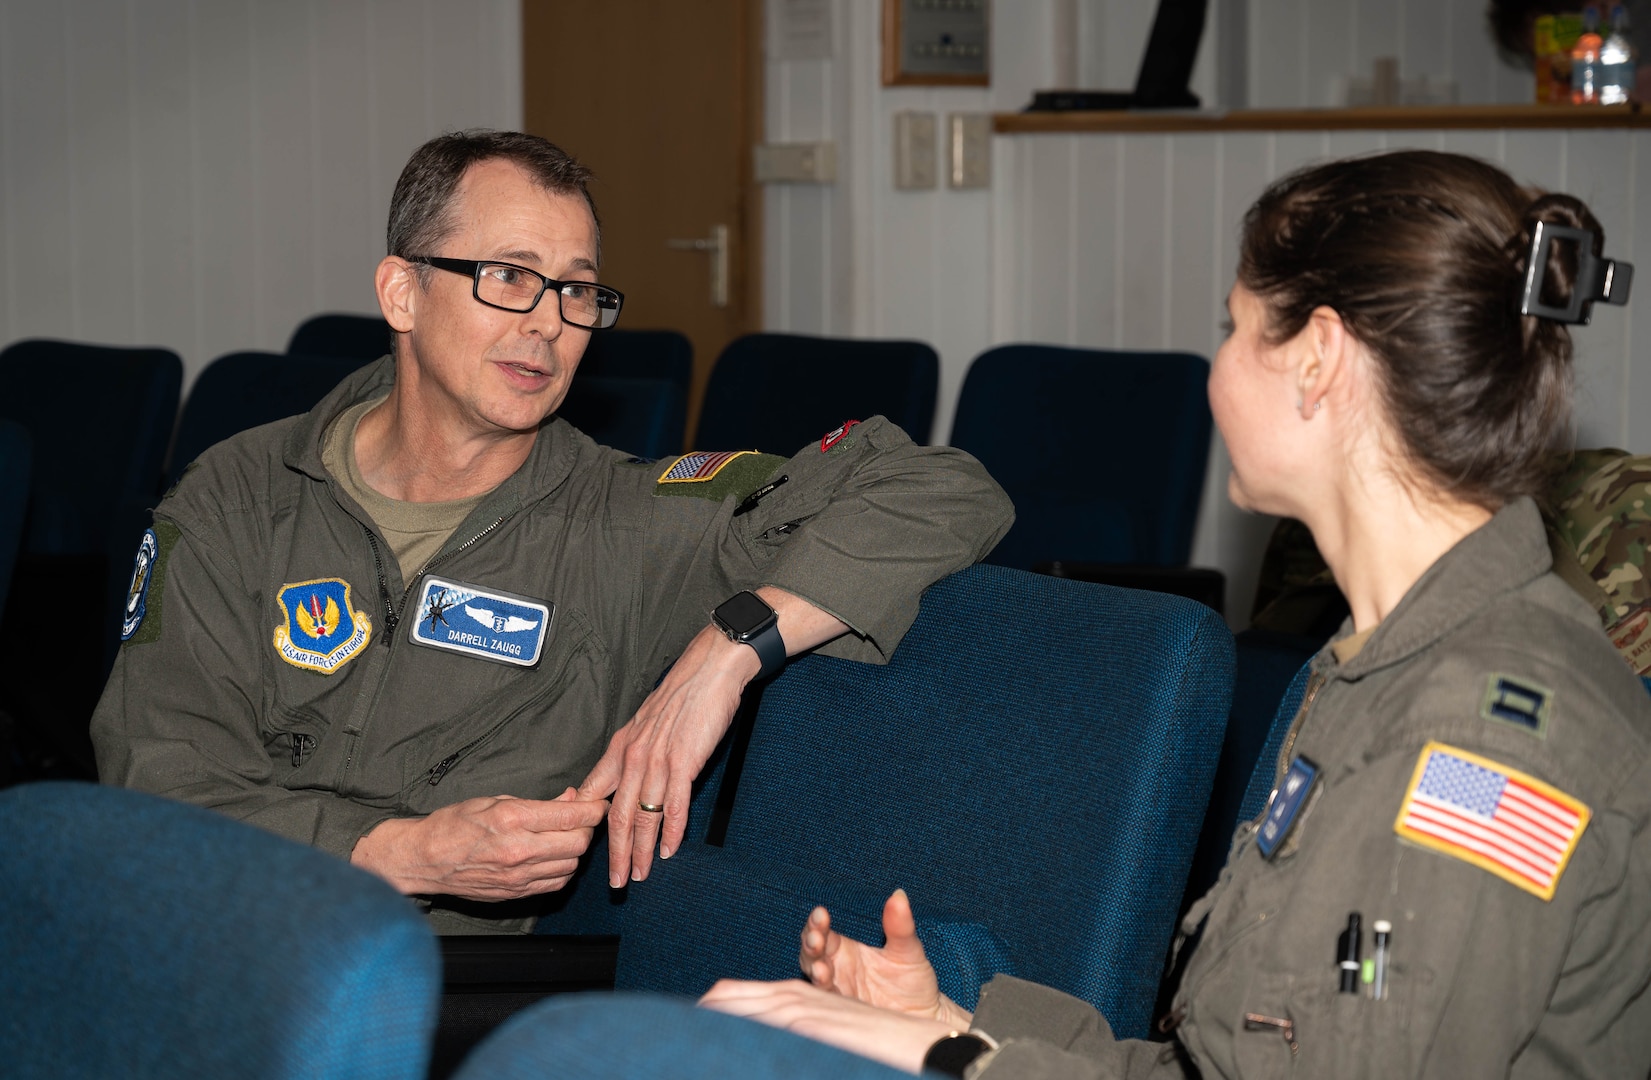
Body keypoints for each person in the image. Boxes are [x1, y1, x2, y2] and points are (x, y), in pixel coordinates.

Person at [700, 150, 1651, 1076]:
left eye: (1234, 330)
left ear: (1317, 359)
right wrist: (959, 1020)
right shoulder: (1377, 669)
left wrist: (949, 1062)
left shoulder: (1476, 746)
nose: (1218, 369)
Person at [90, 130, 1013, 934]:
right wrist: (398, 852)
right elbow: (155, 780)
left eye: (578, 291)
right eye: (508, 278)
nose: (548, 323)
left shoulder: (629, 525)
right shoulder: (243, 494)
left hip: (435, 984)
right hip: (208, 926)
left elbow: (941, 488)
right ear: (402, 293)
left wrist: (727, 650)